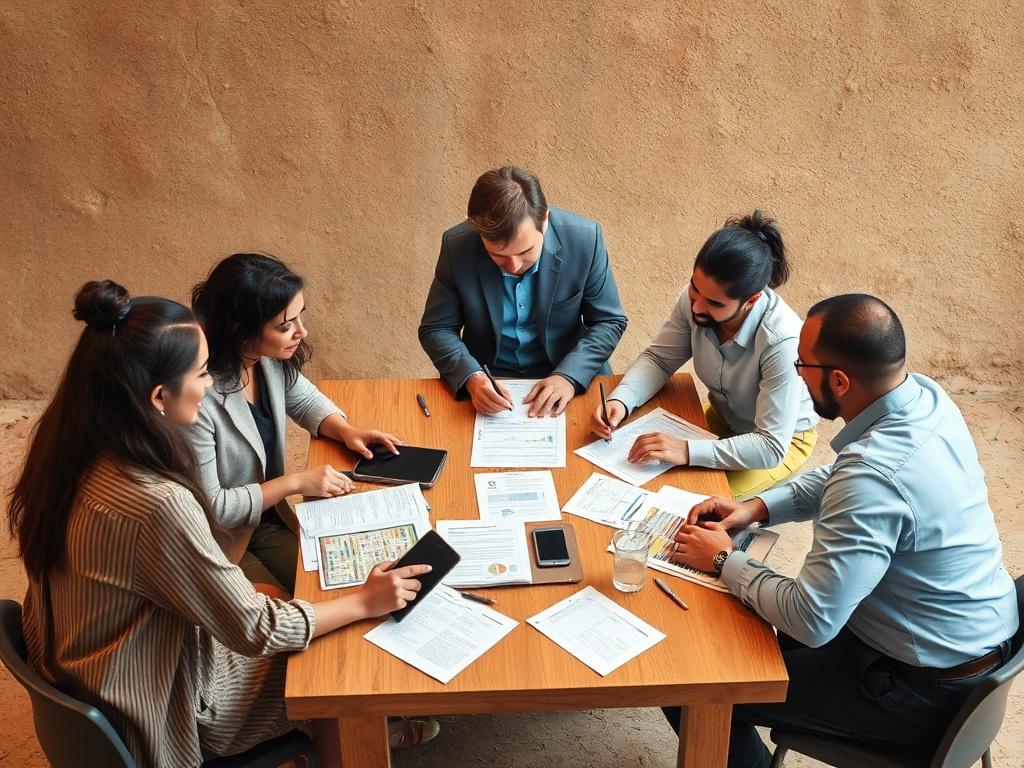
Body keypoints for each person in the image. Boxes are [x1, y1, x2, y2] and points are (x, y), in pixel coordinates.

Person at [7, 281, 438, 768]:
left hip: (90, 667)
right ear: (157, 396)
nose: (211, 385)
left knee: (279, 597)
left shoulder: (72, 451)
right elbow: (254, 629)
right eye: (201, 373)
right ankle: (353, 735)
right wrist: (366, 600)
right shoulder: (157, 503)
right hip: (152, 707)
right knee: (327, 664)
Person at [664, 293, 1019, 768]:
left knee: (695, 686)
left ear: (839, 380)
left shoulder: (874, 478)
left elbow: (812, 620)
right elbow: (840, 475)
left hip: (915, 690)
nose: (794, 372)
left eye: (801, 364)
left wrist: (724, 559)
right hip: (965, 641)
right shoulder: (926, 398)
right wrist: (756, 508)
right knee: (727, 632)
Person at [189, 253, 401, 594]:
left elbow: (304, 399)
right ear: (239, 329)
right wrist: (296, 482)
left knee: (340, 587)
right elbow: (215, 506)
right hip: (218, 542)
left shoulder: (265, 360)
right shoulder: (197, 396)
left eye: (300, 318)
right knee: (297, 612)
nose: (301, 332)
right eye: (285, 326)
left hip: (267, 520)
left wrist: (345, 430)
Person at [590, 211, 818, 498]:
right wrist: (621, 401)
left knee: (691, 503)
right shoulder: (693, 301)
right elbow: (659, 360)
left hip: (777, 443)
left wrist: (684, 450)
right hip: (723, 419)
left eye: (714, 303)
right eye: (695, 289)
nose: (697, 307)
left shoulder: (783, 342)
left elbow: (770, 446)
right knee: (640, 479)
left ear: (751, 300)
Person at [419, 165, 627, 417]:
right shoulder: (457, 245)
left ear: (545, 220)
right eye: (498, 256)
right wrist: (472, 377)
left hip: (570, 379)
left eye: (525, 252)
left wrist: (568, 376)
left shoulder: (585, 240)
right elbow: (436, 328)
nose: (514, 266)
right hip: (490, 381)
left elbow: (609, 321)